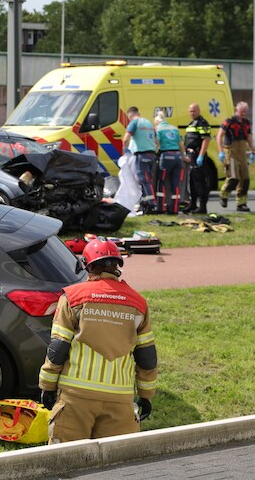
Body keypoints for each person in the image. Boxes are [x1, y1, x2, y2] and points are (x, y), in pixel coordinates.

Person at [39, 239, 158, 443]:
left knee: (69, 461)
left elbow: (57, 349)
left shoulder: (73, 298)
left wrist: (47, 386)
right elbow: (147, 356)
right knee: (116, 465)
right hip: (120, 400)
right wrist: (146, 395)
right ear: (117, 265)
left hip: (75, 397)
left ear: (87, 264)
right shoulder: (138, 303)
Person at [217, 101, 252, 212]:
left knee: (245, 178)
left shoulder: (246, 123)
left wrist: (252, 151)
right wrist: (221, 151)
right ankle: (224, 194)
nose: (243, 114)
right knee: (233, 177)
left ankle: (241, 203)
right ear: (236, 110)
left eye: (245, 112)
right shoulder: (229, 121)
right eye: (242, 112)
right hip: (230, 150)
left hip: (242, 150)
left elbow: (249, 137)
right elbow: (219, 136)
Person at [122, 107, 157, 213]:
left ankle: (151, 204)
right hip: (152, 154)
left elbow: (126, 139)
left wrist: (125, 151)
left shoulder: (134, 123)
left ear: (130, 115)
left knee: (144, 180)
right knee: (149, 180)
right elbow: (156, 141)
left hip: (142, 155)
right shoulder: (149, 123)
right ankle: (145, 203)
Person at [154, 113, 186, 215]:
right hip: (178, 157)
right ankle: (175, 208)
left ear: (157, 122)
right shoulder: (174, 128)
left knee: (162, 182)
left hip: (166, 156)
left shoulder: (158, 129)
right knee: (175, 184)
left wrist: (154, 153)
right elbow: (181, 144)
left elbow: (157, 142)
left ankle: (161, 207)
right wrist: (184, 156)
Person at [183, 103, 213, 214]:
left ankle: (202, 206)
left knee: (200, 182)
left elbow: (206, 139)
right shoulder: (191, 123)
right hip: (191, 155)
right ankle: (193, 204)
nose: (192, 113)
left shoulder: (202, 123)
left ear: (199, 111)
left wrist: (200, 155)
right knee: (192, 181)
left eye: (194, 111)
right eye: (190, 111)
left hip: (197, 155)